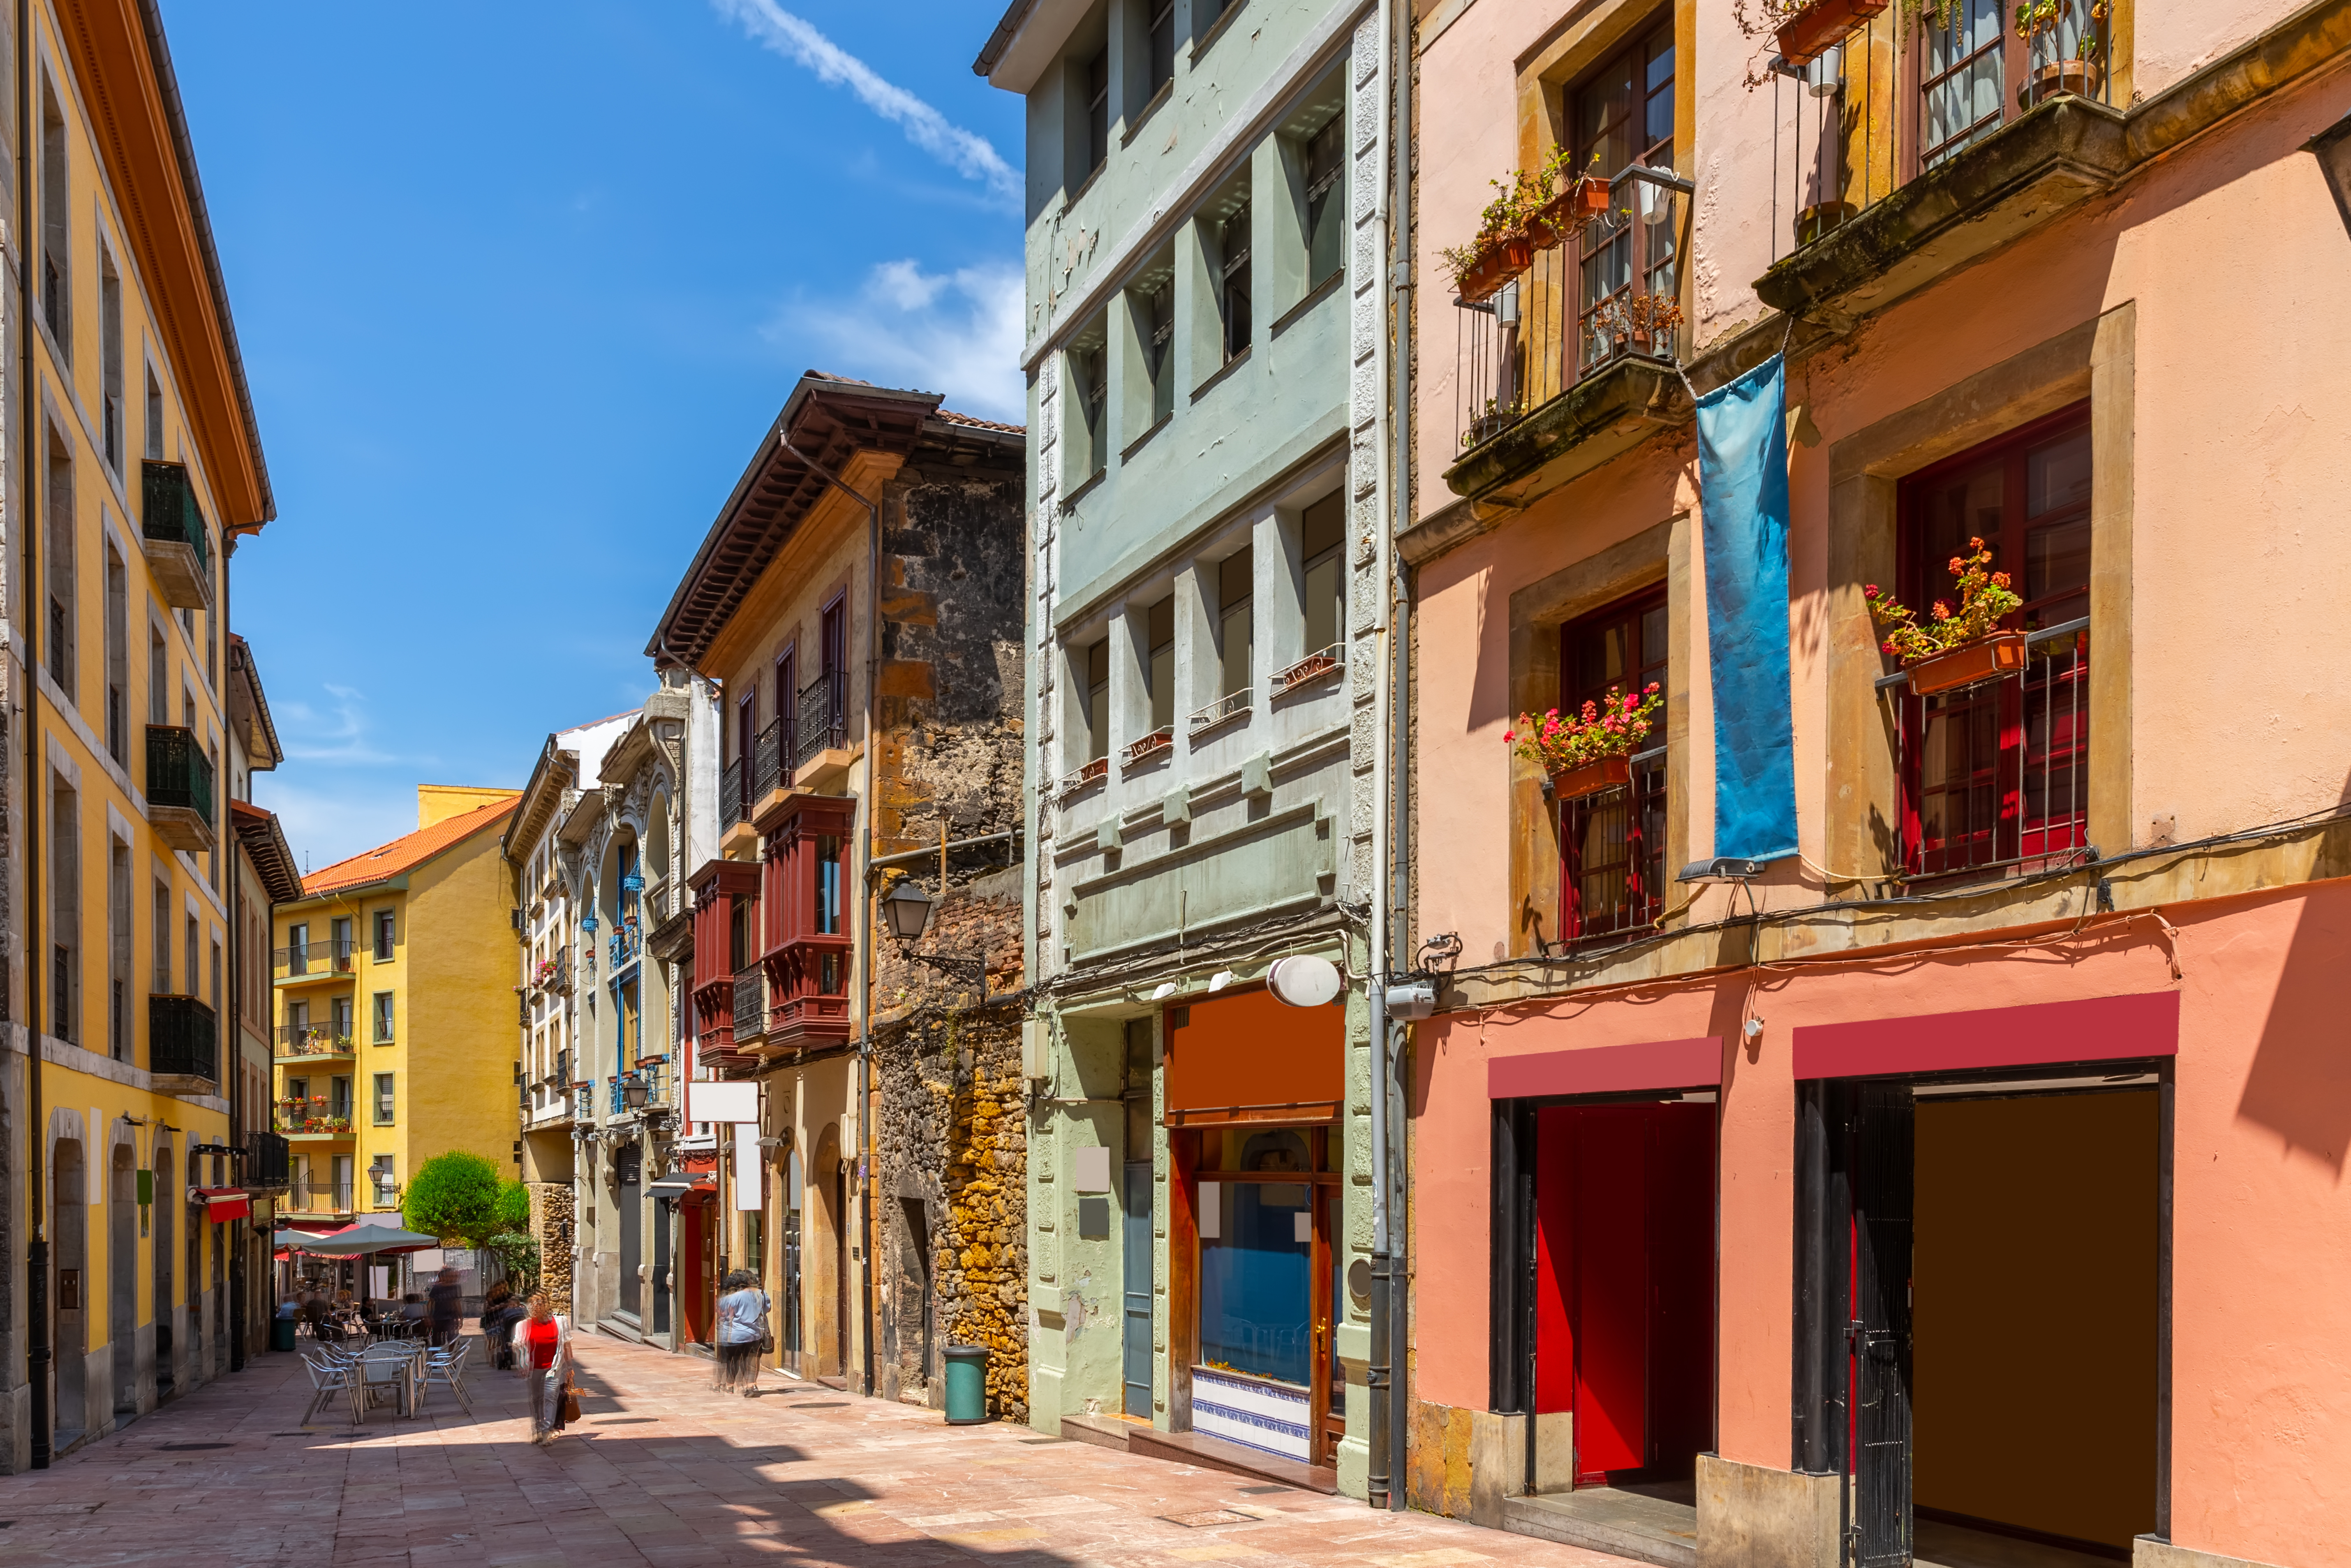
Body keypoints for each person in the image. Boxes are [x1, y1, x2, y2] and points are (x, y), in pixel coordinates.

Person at [511, 1292, 572, 1445]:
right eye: (533, 1303)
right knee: (537, 1399)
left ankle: (546, 1433)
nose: (536, 1306)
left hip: (554, 1367)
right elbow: (518, 1343)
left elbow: (566, 1344)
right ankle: (537, 1430)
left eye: (540, 1303)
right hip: (533, 1368)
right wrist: (516, 1347)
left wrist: (570, 1367)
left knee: (550, 1398)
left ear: (547, 1305)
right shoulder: (523, 1325)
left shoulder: (560, 1322)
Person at [712, 1270, 770, 1396]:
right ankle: (751, 1385)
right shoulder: (763, 1294)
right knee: (753, 1360)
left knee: (739, 1360)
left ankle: (740, 1385)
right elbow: (767, 1310)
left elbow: (725, 1313)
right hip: (755, 1333)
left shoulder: (735, 1297)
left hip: (738, 1334)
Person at [480, 1283, 525, 1370]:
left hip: (509, 1325)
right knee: (493, 1341)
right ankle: (495, 1359)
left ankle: (505, 1356)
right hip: (497, 1324)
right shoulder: (490, 1298)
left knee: (500, 1340)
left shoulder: (509, 1300)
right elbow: (486, 1310)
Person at [426, 1266, 465, 1349]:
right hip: (438, 1318)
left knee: (452, 1338)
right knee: (436, 1341)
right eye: (450, 1276)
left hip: (451, 1318)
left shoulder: (456, 1287)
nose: (453, 1278)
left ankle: (450, 1359)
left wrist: (461, 1318)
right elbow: (430, 1303)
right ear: (445, 1277)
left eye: (454, 1276)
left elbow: (457, 1302)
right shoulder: (437, 1288)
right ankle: (435, 1358)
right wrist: (430, 1317)